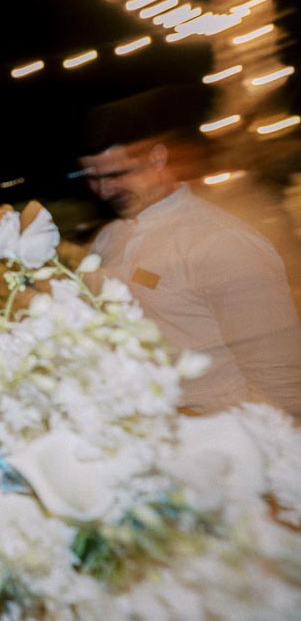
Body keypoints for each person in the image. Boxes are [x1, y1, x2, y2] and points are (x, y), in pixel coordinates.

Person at [76, 85, 301, 418]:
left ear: (157, 158)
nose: (105, 190)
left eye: (118, 174)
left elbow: (282, 381)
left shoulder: (220, 241)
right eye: (93, 178)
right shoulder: (108, 238)